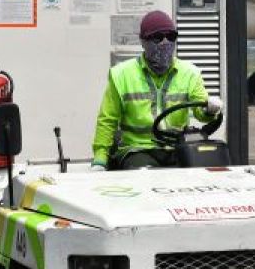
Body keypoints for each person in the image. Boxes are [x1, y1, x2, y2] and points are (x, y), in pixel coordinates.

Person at [91, 9, 223, 170]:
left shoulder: (190, 73)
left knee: (201, 172)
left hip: (178, 147)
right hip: (138, 149)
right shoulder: (121, 75)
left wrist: (209, 110)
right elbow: (107, 120)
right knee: (145, 178)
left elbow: (201, 114)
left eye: (171, 36)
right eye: (158, 37)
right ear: (143, 41)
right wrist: (100, 159)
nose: (165, 43)